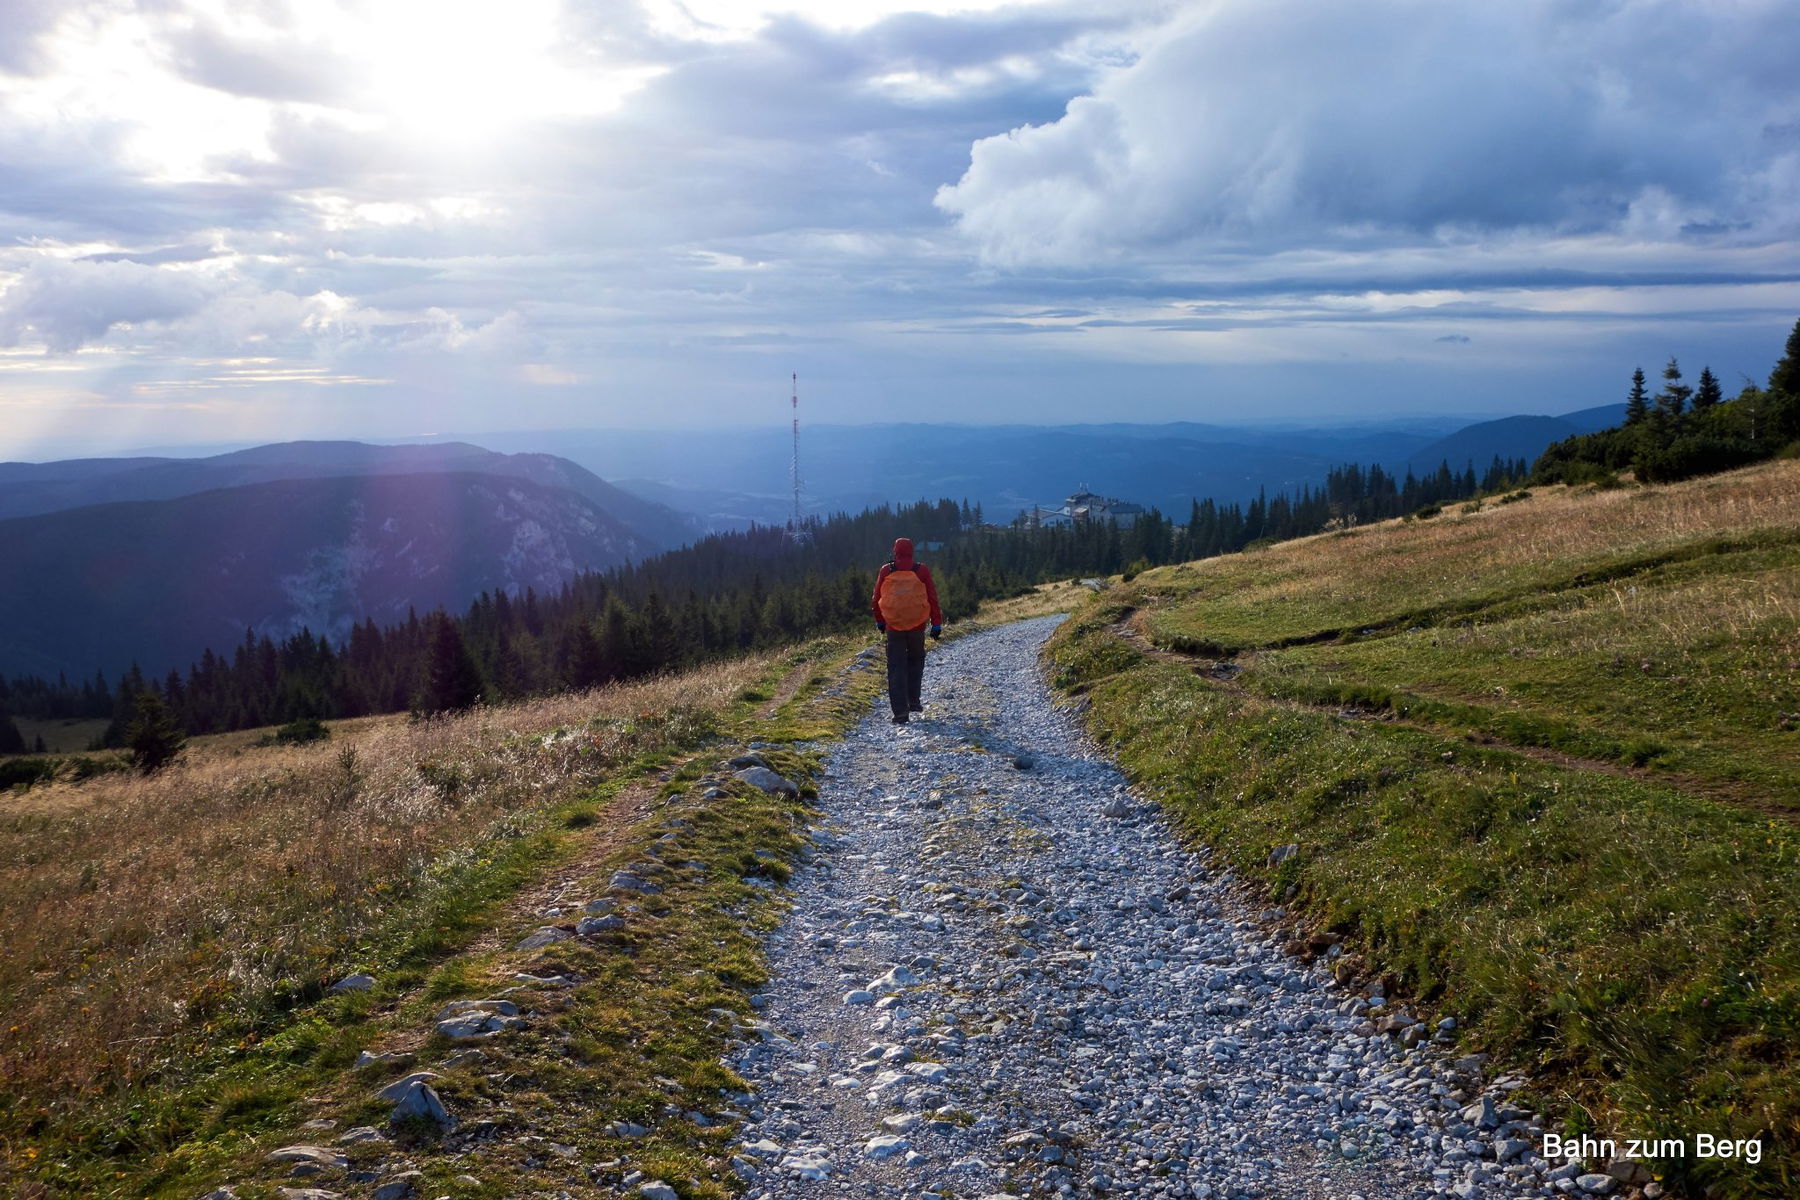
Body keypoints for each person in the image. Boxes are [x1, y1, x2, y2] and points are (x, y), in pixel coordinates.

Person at [870, 537, 943, 724]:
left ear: (895, 551)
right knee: (916, 660)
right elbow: (932, 598)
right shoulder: (921, 570)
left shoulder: (886, 570)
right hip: (917, 625)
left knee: (896, 667)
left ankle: (900, 712)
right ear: (912, 551)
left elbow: (876, 598)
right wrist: (936, 623)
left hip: (893, 626)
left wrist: (880, 621)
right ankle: (914, 700)